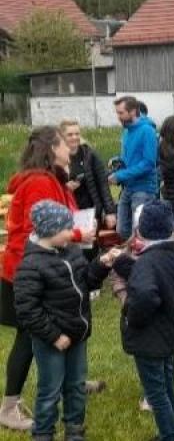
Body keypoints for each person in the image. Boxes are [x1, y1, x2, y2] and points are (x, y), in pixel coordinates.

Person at [1, 127, 97, 432]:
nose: (73, 143)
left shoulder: (50, 177)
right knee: (31, 336)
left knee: (54, 327)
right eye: (65, 140)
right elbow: (40, 229)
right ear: (52, 148)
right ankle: (9, 406)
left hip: (45, 269)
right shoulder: (40, 182)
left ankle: (73, 382)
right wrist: (81, 234)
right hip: (28, 272)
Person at [13, 201, 112, 441]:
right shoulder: (31, 265)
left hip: (77, 334)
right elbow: (28, 310)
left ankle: (74, 429)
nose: (73, 233)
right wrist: (55, 336)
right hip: (51, 340)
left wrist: (101, 265)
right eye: (67, 229)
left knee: (76, 385)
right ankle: (44, 433)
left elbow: (86, 281)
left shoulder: (72, 251)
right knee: (50, 390)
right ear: (50, 231)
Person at [119, 200, 174, 440]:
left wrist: (132, 317)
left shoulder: (148, 262)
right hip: (167, 334)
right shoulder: (170, 255)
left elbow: (146, 293)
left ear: (141, 231)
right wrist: (122, 263)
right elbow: (149, 277)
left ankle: (169, 435)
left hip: (149, 339)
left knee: (156, 393)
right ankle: (170, 429)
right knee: (167, 386)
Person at [60, 120, 117, 253]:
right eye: (70, 134)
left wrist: (110, 211)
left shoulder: (90, 154)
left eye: (77, 133)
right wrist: (65, 187)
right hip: (67, 210)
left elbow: (102, 184)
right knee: (70, 248)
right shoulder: (57, 157)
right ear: (62, 137)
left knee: (90, 247)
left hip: (89, 210)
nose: (74, 137)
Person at [110, 96, 158, 240]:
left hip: (143, 189)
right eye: (117, 113)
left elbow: (148, 163)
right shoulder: (126, 131)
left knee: (139, 233)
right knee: (121, 230)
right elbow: (129, 158)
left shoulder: (147, 131)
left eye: (121, 113)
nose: (118, 117)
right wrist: (117, 161)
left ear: (133, 112)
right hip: (128, 188)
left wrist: (120, 176)